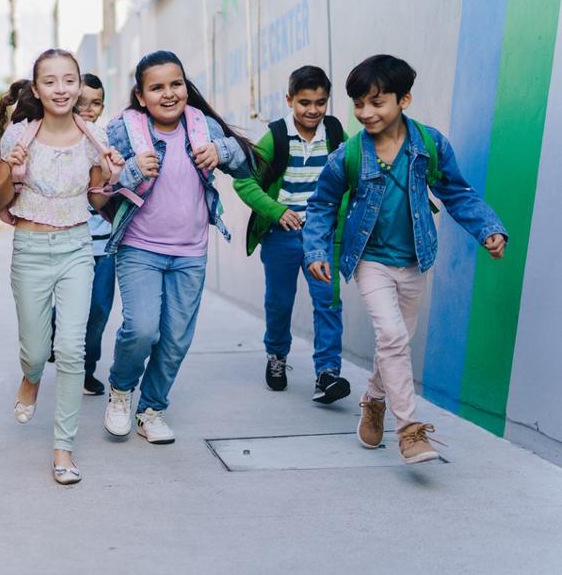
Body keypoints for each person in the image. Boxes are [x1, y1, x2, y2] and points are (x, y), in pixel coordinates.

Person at [303, 54, 507, 464]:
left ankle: (374, 399)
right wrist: (316, 250)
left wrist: (488, 228)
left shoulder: (429, 145)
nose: (366, 113)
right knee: (393, 338)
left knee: (397, 340)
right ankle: (410, 431)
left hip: (415, 259)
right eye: (359, 104)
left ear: (404, 100)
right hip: (369, 260)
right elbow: (322, 204)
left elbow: (457, 193)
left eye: (377, 103)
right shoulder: (348, 155)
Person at [97, 50, 256, 445]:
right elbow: (97, 192)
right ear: (140, 96)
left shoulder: (201, 126)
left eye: (176, 84)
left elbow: (247, 164)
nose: (168, 94)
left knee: (175, 339)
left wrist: (224, 152)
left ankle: (152, 409)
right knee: (141, 328)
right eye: (157, 87)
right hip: (139, 247)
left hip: (190, 251)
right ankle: (120, 390)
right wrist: (131, 171)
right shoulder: (123, 130)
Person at [0, 49, 122, 484]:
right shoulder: (18, 137)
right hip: (29, 248)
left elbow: (97, 201)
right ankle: (30, 377)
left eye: (69, 80)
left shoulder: (95, 138)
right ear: (36, 89)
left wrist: (108, 176)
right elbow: (0, 202)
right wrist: (12, 172)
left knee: (70, 349)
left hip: (76, 249)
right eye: (51, 81)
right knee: (35, 348)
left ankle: (63, 450)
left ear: (79, 84)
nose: (61, 89)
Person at [233, 65, 351, 403]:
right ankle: (276, 356)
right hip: (282, 236)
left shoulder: (334, 132)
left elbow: (346, 177)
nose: (312, 110)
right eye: (304, 103)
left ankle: (327, 374)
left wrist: (336, 220)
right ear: (289, 100)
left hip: (320, 236)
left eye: (320, 102)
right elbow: (244, 181)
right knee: (280, 302)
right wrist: (277, 211)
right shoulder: (275, 137)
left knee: (328, 301)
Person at [77, 73, 113, 395]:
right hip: (69, 243)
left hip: (105, 245)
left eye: (96, 103)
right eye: (82, 102)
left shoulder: (109, 140)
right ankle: (55, 344)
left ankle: (87, 370)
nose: (89, 109)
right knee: (65, 310)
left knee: (99, 311)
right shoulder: (59, 139)